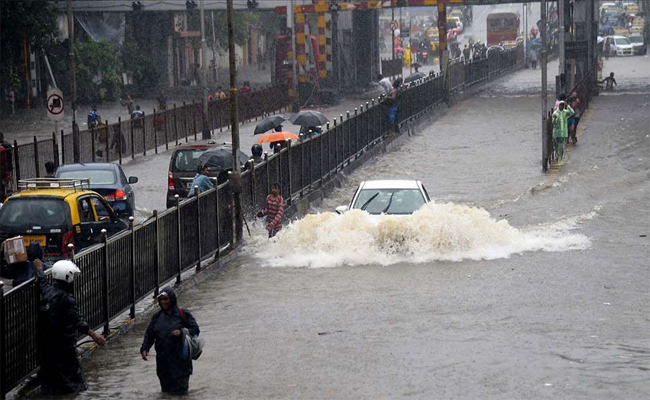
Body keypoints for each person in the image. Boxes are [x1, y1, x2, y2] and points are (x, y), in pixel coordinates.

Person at [35, 260, 106, 394]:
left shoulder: (48, 292)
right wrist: (94, 335)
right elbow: (77, 321)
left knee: (54, 383)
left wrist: (39, 270)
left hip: (48, 348)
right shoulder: (66, 299)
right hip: (65, 346)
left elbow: (43, 282)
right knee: (76, 383)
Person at [140, 287, 200, 395]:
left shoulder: (183, 314)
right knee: (166, 393)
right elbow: (149, 335)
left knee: (181, 394)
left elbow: (195, 330)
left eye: (166, 299)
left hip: (181, 364)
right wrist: (145, 348)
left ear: (172, 299)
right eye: (161, 299)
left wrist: (182, 332)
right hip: (163, 364)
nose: (163, 302)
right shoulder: (157, 317)